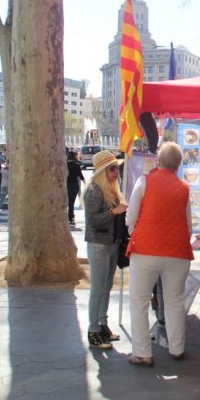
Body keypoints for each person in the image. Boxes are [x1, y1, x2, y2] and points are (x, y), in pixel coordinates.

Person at [126, 142, 193, 366]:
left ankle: (143, 352)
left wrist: (134, 231)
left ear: (159, 161)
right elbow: (188, 225)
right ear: (179, 164)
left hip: (145, 248)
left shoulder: (144, 181)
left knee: (139, 301)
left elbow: (131, 214)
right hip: (177, 251)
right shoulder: (184, 187)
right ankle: (177, 348)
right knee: (175, 300)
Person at [83, 150, 127, 350]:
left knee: (106, 287)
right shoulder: (94, 189)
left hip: (110, 244)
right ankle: (93, 330)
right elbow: (92, 219)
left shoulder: (110, 189)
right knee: (98, 289)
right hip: (99, 244)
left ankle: (102, 324)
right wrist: (113, 211)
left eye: (117, 167)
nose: (116, 172)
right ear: (102, 171)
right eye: (112, 168)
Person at [67, 150, 85, 225]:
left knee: (68, 202)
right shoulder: (76, 165)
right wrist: (85, 183)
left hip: (66, 185)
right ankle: (71, 216)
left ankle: (70, 216)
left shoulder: (65, 164)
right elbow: (80, 175)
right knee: (72, 202)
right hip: (74, 185)